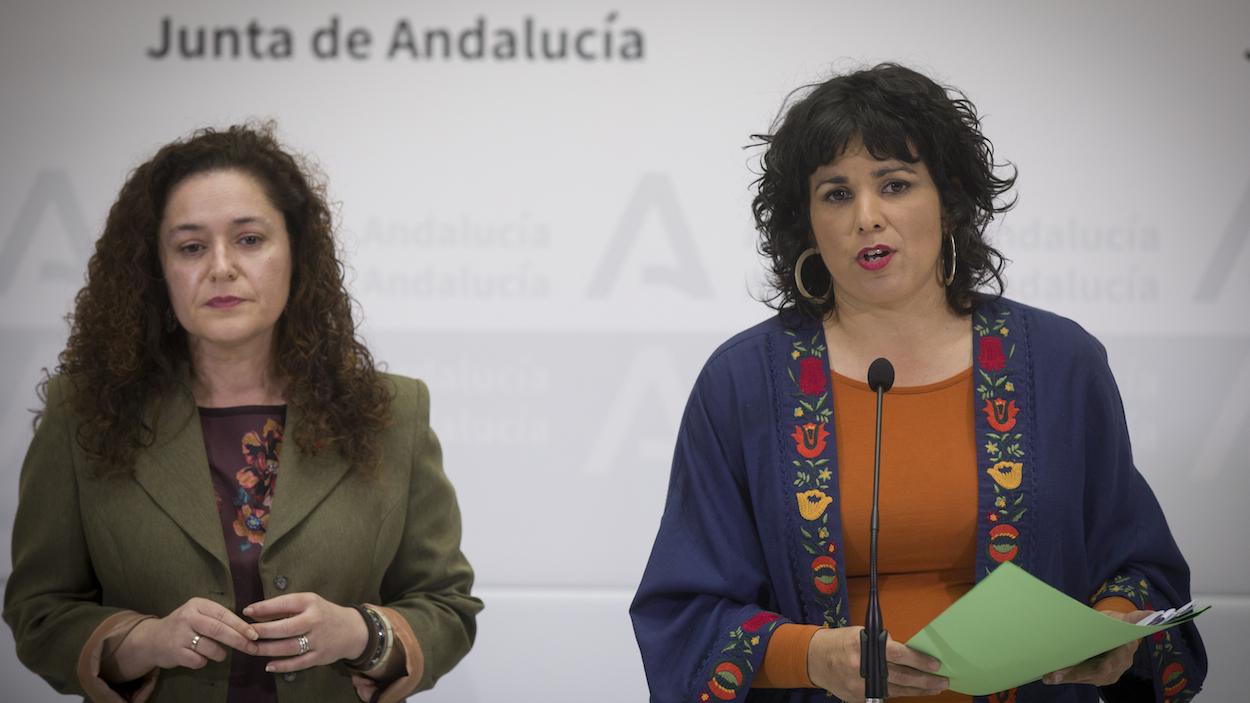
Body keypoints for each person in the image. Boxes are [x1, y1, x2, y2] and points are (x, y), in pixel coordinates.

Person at [630, 64, 1206, 703]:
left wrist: (1118, 630)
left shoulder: (1061, 362)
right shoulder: (742, 382)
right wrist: (812, 656)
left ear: (950, 200)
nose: (867, 217)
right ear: (807, 222)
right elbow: (685, 610)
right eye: (836, 194)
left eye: (895, 184)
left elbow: (1140, 568)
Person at [3, 124, 482, 702]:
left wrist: (359, 632)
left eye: (250, 240)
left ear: (297, 254)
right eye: (191, 247)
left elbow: (446, 606)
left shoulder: (393, 412)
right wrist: (143, 640)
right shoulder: (83, 415)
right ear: (156, 270)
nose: (222, 267)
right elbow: (40, 610)